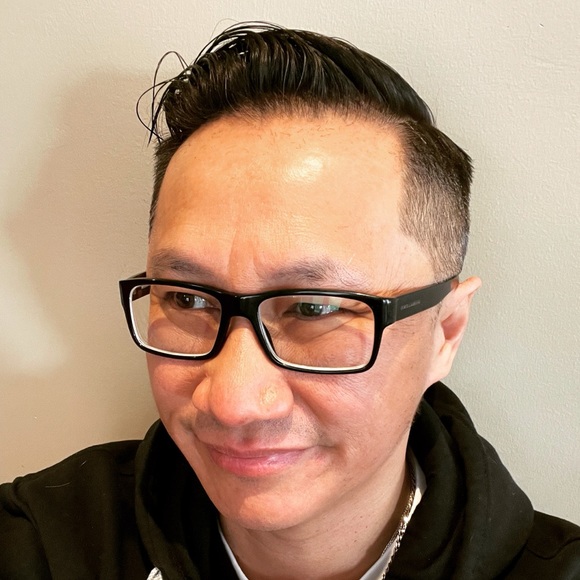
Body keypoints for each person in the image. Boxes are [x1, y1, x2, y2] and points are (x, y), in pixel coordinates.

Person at [0, 23, 578, 580]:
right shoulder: (40, 542)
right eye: (187, 299)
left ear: (445, 331)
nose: (233, 403)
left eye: (314, 308)